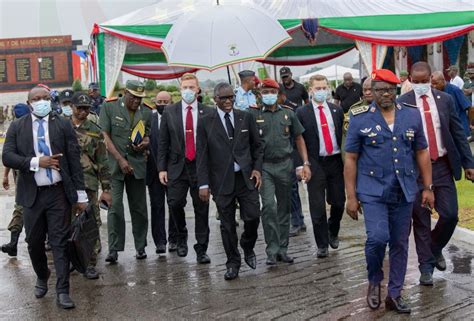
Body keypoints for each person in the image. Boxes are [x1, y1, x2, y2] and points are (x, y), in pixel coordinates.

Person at [344, 69, 434, 314]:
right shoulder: (359, 117)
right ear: (371, 92)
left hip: (404, 190)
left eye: (389, 89)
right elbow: (351, 157)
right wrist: (351, 197)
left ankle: (394, 294)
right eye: (379, 89)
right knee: (377, 238)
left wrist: (427, 187)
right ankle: (375, 280)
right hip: (372, 191)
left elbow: (422, 152)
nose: (385, 94)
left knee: (400, 243)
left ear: (396, 90)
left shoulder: (412, 116)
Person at [2, 86, 88, 309]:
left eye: (45, 98)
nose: (41, 101)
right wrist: (35, 162)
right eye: (37, 99)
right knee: (34, 243)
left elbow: (74, 160)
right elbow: (7, 156)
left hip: (58, 193)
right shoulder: (18, 126)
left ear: (51, 101)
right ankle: (42, 275)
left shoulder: (62, 125)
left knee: (60, 243)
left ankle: (62, 291)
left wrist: (80, 195)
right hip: (32, 196)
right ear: (29, 102)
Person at [398, 62, 474, 286]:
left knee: (450, 214)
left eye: (425, 81)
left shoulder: (444, 99)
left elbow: (457, 132)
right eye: (416, 81)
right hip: (415, 169)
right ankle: (425, 267)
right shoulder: (402, 103)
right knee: (420, 217)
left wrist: (469, 162)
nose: (421, 85)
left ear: (431, 78)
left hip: (441, 165)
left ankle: (434, 247)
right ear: (410, 80)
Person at [196, 82, 263, 280]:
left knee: (252, 217)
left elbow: (258, 147)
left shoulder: (246, 117)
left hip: (246, 178)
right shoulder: (206, 121)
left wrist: (257, 169)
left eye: (231, 97)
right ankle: (233, 263)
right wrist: (203, 184)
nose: (228, 101)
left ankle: (247, 244)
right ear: (214, 99)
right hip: (221, 181)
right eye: (223, 98)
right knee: (227, 225)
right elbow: (202, 154)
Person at [249, 78, 311, 265]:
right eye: (265, 92)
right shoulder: (252, 115)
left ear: (278, 94)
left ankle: (282, 249)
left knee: (285, 208)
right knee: (269, 207)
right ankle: (271, 250)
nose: (269, 95)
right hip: (264, 167)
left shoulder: (288, 114)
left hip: (285, 165)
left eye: (272, 92)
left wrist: (305, 163)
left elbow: (299, 138)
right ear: (260, 94)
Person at [158, 73, 212, 263]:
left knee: (202, 209)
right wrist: (162, 168)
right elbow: (163, 142)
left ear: (198, 90)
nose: (188, 91)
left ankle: (201, 248)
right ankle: (181, 237)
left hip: (200, 167)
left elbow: (213, 143)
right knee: (174, 203)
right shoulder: (169, 112)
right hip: (176, 167)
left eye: (191, 87)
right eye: (184, 87)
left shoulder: (208, 112)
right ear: (180, 90)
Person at [99, 80, 151, 263]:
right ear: (124, 93)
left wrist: (146, 142)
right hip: (114, 167)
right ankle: (114, 249)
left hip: (137, 166)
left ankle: (141, 246)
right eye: (133, 97)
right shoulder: (110, 107)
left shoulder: (146, 111)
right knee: (115, 208)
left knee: (139, 209)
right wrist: (120, 160)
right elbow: (104, 136)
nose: (137, 101)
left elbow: (148, 136)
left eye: (140, 98)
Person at [296, 75, 345, 258]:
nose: (321, 91)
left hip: (335, 161)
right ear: (310, 90)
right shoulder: (302, 112)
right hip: (314, 163)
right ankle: (322, 243)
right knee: (317, 206)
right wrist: (302, 164)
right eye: (317, 88)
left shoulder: (336, 110)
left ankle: (333, 230)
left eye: (324, 87)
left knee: (339, 202)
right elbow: (297, 140)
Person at [70, 92, 112, 279]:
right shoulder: (62, 127)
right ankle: (72, 260)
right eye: (80, 108)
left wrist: (107, 189)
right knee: (67, 222)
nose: (83, 112)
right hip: (67, 184)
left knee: (91, 222)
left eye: (86, 108)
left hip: (89, 183)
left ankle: (90, 261)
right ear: (72, 107)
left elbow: (103, 162)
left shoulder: (94, 131)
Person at [146, 91, 178, 254]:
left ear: (172, 102)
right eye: (160, 101)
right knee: (157, 206)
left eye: (166, 102)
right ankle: (160, 242)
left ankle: (174, 239)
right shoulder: (148, 119)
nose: (163, 105)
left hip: (173, 171)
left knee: (174, 205)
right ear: (154, 102)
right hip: (153, 171)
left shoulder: (176, 119)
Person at [1, 103, 31, 257]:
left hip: (30, 178)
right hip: (21, 178)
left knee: (21, 208)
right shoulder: (16, 131)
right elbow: (9, 157)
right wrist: (6, 175)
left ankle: (14, 243)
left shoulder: (31, 130)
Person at [431, 71, 471, 139]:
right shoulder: (434, 91)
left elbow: (468, 107)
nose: (434, 86)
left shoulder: (455, 90)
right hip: (445, 128)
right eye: (432, 84)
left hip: (459, 128)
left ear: (443, 81)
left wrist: (470, 124)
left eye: (436, 84)